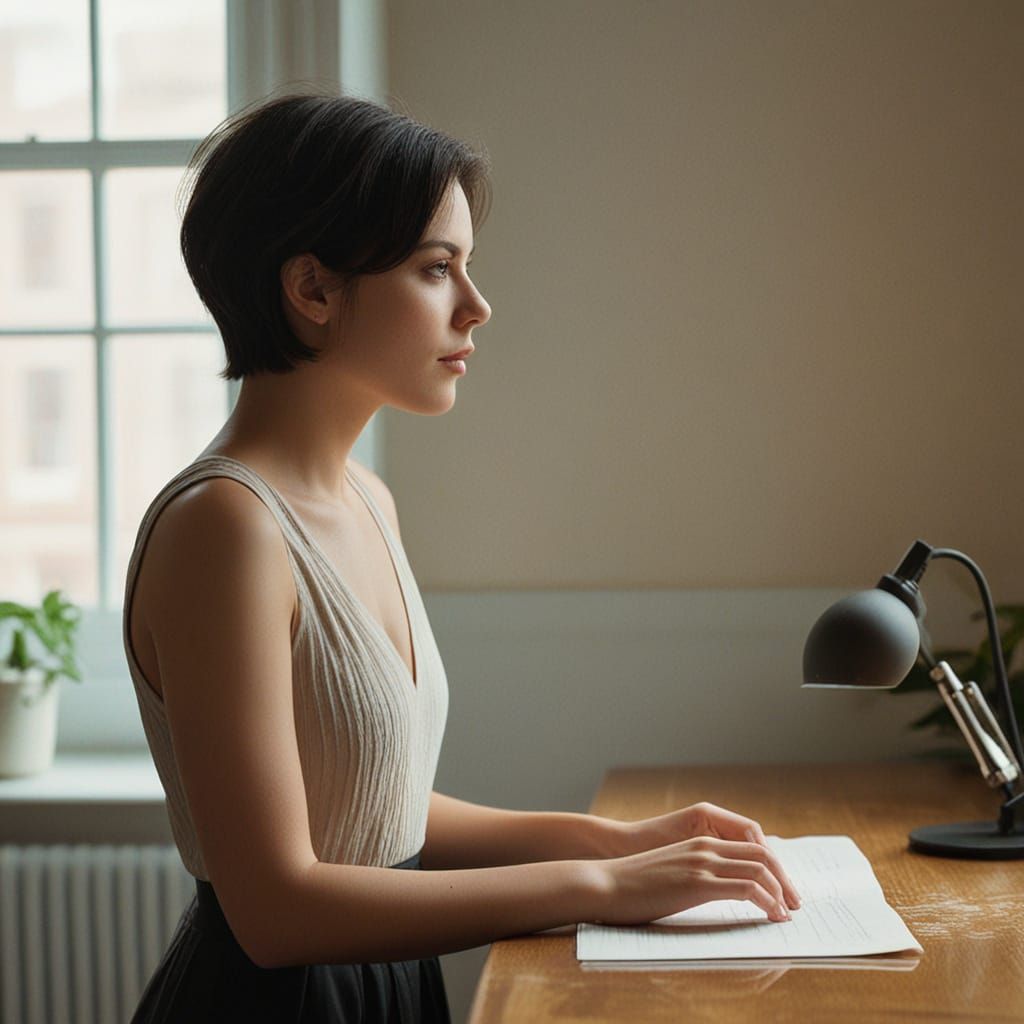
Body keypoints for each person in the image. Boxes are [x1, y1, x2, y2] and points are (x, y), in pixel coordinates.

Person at [122, 89, 801, 1024]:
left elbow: (376, 815)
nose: (477, 308)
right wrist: (600, 890)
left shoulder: (369, 500)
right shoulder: (224, 530)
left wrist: (615, 844)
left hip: (385, 981)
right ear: (313, 289)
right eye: (438, 269)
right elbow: (277, 910)